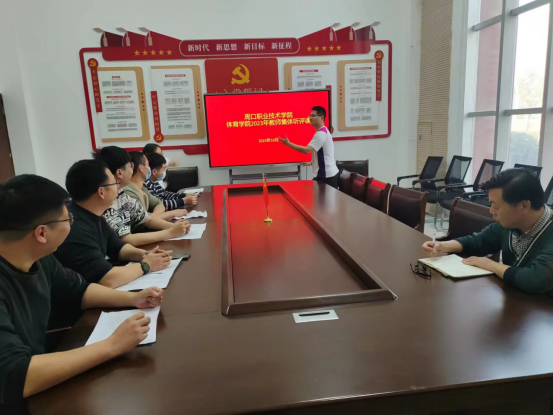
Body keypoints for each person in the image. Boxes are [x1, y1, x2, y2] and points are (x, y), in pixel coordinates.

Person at [0, 174, 164, 411]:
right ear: (42, 233)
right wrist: (112, 345)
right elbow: (15, 376)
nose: (72, 222)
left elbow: (80, 291)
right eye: (68, 218)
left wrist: (133, 298)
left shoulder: (40, 258)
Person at [422, 169, 553, 295]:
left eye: (496, 206)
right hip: (515, 300)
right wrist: (443, 246)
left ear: (524, 206)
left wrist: (491, 265)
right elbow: (478, 242)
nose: (491, 211)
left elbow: (537, 279)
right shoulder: (510, 224)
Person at [55, 159, 174, 288]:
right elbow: (107, 279)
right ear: (101, 192)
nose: (118, 188)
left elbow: (118, 248)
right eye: (114, 183)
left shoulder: (95, 215)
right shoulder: (74, 226)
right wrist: (146, 265)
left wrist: (144, 255)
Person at [93, 146, 190, 246]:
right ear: (119, 173)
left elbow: (147, 219)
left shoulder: (121, 195)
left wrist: (174, 227)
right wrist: (170, 233)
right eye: (130, 165)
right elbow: (126, 239)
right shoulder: (107, 203)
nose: (133, 169)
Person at [278, 106, 340, 188]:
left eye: (313, 116)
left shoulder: (321, 134)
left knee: (321, 196)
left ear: (321, 117)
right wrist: (313, 162)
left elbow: (306, 150)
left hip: (326, 176)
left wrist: (288, 143)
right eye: (310, 115)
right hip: (329, 174)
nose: (310, 118)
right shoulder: (323, 131)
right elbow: (326, 153)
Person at [124, 152, 188, 221]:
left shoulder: (142, 188)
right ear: (141, 168)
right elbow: (144, 220)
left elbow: (159, 204)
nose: (149, 169)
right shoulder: (129, 192)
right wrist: (172, 213)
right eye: (147, 165)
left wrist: (154, 217)